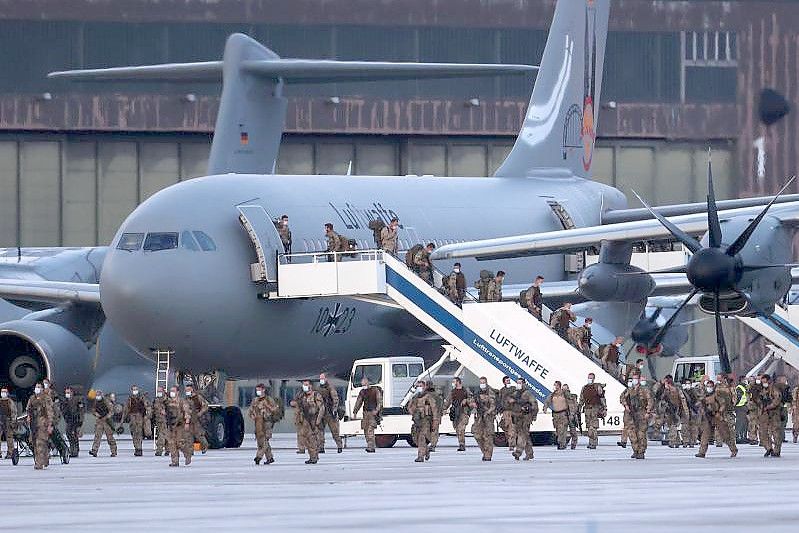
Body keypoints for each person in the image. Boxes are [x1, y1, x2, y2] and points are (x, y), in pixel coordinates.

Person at [695, 379, 738, 458]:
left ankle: (733, 449)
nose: (709, 388)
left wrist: (719, 412)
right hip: (707, 417)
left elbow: (723, 404)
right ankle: (702, 452)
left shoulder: (717, 395)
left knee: (725, 434)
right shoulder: (704, 395)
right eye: (708, 386)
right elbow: (699, 403)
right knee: (705, 435)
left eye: (710, 386)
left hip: (717, 416)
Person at [619, 373, 654, 459]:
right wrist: (626, 406)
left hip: (641, 413)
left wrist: (648, 411)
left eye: (635, 378)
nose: (634, 380)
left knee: (641, 433)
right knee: (632, 433)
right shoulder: (629, 390)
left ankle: (641, 451)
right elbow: (622, 397)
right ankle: (635, 450)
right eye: (633, 378)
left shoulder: (644, 390)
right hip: (631, 413)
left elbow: (650, 401)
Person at [290, 379, 324, 464]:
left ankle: (314, 457)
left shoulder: (316, 395)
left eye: (306, 384)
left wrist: (318, 420)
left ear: (310, 386)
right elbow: (297, 405)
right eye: (303, 384)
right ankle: (312, 456)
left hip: (313, 419)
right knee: (305, 438)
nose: (304, 386)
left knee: (313, 439)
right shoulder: (302, 395)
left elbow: (322, 408)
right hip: (304, 419)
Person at [407, 380, 439, 462]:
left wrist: (435, 421)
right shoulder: (415, 397)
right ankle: (426, 450)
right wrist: (413, 413)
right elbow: (409, 407)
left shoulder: (428, 397)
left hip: (425, 420)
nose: (419, 388)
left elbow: (434, 409)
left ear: (425, 387)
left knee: (422, 438)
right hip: (417, 420)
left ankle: (420, 456)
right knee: (416, 439)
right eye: (418, 386)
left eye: (421, 386)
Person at [248, 383, 280, 465]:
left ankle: (258, 456)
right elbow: (251, 410)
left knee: (264, 440)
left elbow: (275, 409)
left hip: (267, 422)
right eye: (257, 390)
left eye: (259, 390)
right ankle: (270, 458)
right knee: (261, 440)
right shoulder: (255, 400)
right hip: (258, 422)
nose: (258, 391)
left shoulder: (269, 399)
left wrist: (268, 406)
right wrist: (252, 415)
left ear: (263, 390)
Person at [26, 383, 54, 470]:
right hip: (33, 424)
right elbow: (28, 409)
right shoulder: (32, 398)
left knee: (40, 442)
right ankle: (44, 459)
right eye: (36, 387)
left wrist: (50, 425)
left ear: (42, 388)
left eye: (39, 387)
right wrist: (28, 417)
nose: (37, 389)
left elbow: (50, 412)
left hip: (43, 423)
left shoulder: (46, 398)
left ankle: (39, 463)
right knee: (35, 443)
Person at [164, 385, 193, 467]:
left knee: (180, 443)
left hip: (180, 425)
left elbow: (187, 413)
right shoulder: (168, 402)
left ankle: (187, 455)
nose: (172, 393)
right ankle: (175, 461)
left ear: (177, 392)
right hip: (171, 425)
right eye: (171, 391)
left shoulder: (182, 402)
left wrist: (187, 423)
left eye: (173, 391)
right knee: (171, 443)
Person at [470, 377, 497, 461]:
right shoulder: (477, 391)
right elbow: (472, 400)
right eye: (481, 382)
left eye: (483, 382)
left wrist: (488, 411)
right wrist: (472, 403)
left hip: (488, 416)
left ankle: (488, 455)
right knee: (477, 435)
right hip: (479, 416)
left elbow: (493, 404)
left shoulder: (490, 391)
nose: (482, 384)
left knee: (488, 436)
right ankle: (484, 452)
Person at [353, 376, 382, 453]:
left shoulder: (375, 390)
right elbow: (358, 402)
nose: (362, 382)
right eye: (362, 381)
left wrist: (376, 410)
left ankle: (371, 447)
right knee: (365, 430)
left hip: (373, 413)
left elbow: (379, 402)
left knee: (370, 430)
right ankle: (370, 445)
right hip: (365, 413)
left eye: (364, 381)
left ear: (368, 381)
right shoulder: (362, 392)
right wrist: (355, 412)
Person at [511, 378, 537, 460]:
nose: (518, 384)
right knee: (525, 435)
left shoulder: (527, 393)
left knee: (522, 434)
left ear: (524, 383)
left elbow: (534, 404)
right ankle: (529, 453)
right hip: (517, 417)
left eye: (520, 383)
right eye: (517, 382)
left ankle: (518, 452)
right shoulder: (515, 393)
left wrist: (533, 414)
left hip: (525, 417)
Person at [443, 377, 472, 451]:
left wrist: (466, 400)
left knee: (461, 429)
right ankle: (461, 443)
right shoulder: (453, 391)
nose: (453, 383)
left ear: (458, 382)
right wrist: (444, 409)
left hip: (464, 412)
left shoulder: (465, 390)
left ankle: (462, 444)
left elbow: (472, 399)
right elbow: (448, 400)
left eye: (454, 381)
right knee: (457, 429)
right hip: (455, 412)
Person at [758, 374, 783, 457]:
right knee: (763, 432)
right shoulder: (762, 390)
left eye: (765, 381)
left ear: (769, 381)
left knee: (775, 432)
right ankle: (769, 448)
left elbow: (777, 400)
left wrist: (769, 406)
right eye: (762, 382)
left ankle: (777, 450)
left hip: (774, 413)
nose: (763, 383)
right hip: (764, 414)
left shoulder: (774, 389)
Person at [317, 373, 343, 453]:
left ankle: (339, 446)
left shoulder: (330, 388)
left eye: (323, 378)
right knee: (320, 431)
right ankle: (321, 447)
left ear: (326, 379)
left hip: (330, 412)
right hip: (321, 412)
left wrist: (334, 410)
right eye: (320, 378)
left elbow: (335, 399)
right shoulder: (318, 389)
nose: (321, 380)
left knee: (334, 431)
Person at [578, 373, 606, 449]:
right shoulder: (584, 388)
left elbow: (602, 398)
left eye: (591, 378)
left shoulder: (597, 387)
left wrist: (604, 408)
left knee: (593, 427)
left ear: (594, 378)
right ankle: (591, 442)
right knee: (589, 427)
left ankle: (593, 443)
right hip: (587, 410)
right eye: (589, 377)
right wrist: (579, 408)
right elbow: (581, 399)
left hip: (595, 409)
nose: (590, 379)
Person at [660, 375, 687, 448]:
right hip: (671, 409)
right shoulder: (673, 390)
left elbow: (681, 400)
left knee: (673, 425)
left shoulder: (673, 390)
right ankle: (677, 441)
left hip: (674, 410)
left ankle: (672, 441)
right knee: (673, 425)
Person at [89, 389, 118, 457]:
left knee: (110, 437)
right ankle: (94, 450)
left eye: (99, 394)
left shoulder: (106, 401)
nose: (98, 395)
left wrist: (107, 417)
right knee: (97, 437)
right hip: (99, 421)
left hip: (106, 421)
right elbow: (93, 410)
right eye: (97, 394)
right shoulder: (95, 402)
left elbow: (111, 410)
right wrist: (96, 414)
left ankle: (114, 451)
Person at [123, 384, 148, 456]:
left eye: (136, 389)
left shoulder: (142, 398)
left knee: (139, 432)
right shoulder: (130, 399)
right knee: (134, 433)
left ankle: (139, 448)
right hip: (132, 417)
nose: (135, 391)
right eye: (133, 389)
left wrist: (147, 416)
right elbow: (126, 409)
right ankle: (136, 448)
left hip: (139, 416)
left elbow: (147, 406)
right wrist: (122, 421)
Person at [543, 381, 570, 450]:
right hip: (555, 415)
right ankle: (562, 443)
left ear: (559, 386)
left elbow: (571, 402)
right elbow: (547, 401)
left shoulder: (564, 394)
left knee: (562, 429)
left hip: (563, 414)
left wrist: (572, 413)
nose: (554, 386)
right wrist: (545, 408)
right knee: (558, 430)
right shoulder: (553, 394)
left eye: (555, 385)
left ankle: (560, 443)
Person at [185, 384, 209, 454]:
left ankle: (205, 445)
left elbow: (205, 405)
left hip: (197, 418)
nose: (187, 391)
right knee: (189, 434)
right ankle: (190, 450)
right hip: (189, 418)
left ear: (192, 389)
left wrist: (200, 413)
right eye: (186, 390)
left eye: (188, 390)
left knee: (198, 434)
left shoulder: (198, 397)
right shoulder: (187, 398)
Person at [61, 387, 84, 458]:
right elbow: (63, 410)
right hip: (69, 420)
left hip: (76, 420)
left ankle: (75, 450)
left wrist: (80, 421)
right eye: (66, 393)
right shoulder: (65, 401)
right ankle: (72, 449)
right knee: (69, 434)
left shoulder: (77, 400)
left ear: (72, 393)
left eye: (68, 392)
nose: (67, 394)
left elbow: (81, 411)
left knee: (74, 435)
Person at [498, 376, 517, 451]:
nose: (508, 381)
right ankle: (510, 440)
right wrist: (499, 410)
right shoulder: (502, 390)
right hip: (505, 412)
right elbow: (500, 400)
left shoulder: (514, 389)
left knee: (512, 428)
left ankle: (512, 444)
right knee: (504, 426)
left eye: (509, 380)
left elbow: (517, 397)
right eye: (507, 380)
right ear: (504, 382)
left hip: (512, 411)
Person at [0, 386, 17, 459]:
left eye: (4, 392)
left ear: (7, 393)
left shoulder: (10, 401)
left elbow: (14, 412)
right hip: (0, 420)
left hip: (8, 421)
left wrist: (13, 421)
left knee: (9, 438)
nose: (3, 393)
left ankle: (10, 453)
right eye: (2, 391)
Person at [152, 386, 170, 456]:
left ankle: (159, 450)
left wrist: (166, 412)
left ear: (163, 391)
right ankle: (168, 449)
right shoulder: (156, 400)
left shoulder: (167, 400)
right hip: (158, 420)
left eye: (160, 391)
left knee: (161, 435)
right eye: (158, 391)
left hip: (165, 420)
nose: (159, 392)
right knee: (164, 434)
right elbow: (154, 408)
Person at [426, 381, 443, 452]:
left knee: (432, 431)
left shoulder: (427, 395)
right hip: (433, 415)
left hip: (430, 415)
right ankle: (432, 445)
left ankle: (432, 445)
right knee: (434, 431)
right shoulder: (436, 395)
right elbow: (440, 405)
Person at [564, 384, 579, 449]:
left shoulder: (572, 397)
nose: (564, 390)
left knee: (573, 431)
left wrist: (573, 414)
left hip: (571, 415)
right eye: (563, 389)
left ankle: (573, 444)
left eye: (565, 389)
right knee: (563, 431)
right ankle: (563, 444)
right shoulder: (560, 396)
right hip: (563, 416)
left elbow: (575, 406)